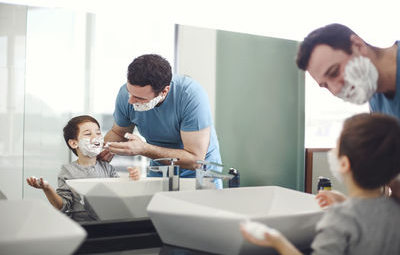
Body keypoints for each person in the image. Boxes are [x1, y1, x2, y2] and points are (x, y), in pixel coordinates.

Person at [241, 113, 400, 254]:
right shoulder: (395, 209)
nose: (332, 152)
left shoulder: (340, 217)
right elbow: (369, 216)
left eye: (336, 146)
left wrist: (278, 241)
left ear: (344, 164)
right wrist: (345, 201)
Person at [296, 23, 400, 201]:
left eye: (334, 72)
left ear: (358, 46)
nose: (336, 89)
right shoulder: (375, 97)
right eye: (325, 85)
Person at [99, 54, 223, 188]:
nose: (130, 101)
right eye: (129, 92)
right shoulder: (126, 94)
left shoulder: (190, 96)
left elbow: (195, 160)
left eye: (139, 98)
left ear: (164, 91)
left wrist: (144, 149)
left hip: (199, 173)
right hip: (161, 168)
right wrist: (102, 148)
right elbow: (119, 132)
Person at [26, 115, 140, 222]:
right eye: (88, 134)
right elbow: (62, 205)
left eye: (98, 133)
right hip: (81, 226)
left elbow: (120, 195)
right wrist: (47, 188)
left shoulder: (108, 168)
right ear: (74, 143)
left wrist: (132, 179)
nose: (96, 137)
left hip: (107, 224)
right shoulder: (68, 171)